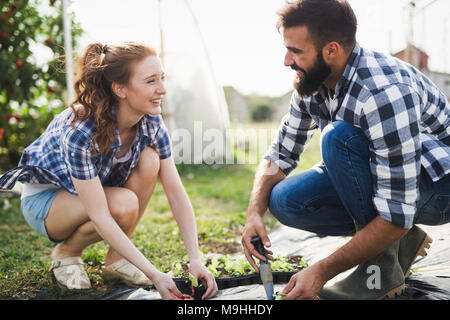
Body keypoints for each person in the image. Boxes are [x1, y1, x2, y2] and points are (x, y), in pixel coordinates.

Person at [241, 0, 450, 300]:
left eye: (296, 51)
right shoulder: (311, 81)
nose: (287, 60)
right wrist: (253, 214)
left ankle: (380, 270)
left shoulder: (382, 91)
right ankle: (397, 244)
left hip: (439, 183)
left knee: (338, 138)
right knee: (284, 200)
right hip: (389, 177)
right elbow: (279, 154)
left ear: (332, 50)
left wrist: (322, 271)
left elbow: (397, 211)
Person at [0, 42, 218, 300]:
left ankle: (116, 261)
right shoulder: (80, 130)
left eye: (162, 78)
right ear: (119, 89)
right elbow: (100, 214)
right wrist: (153, 273)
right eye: (150, 81)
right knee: (123, 204)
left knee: (150, 159)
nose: (162, 89)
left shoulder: (151, 122)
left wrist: (196, 259)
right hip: (45, 203)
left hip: (92, 195)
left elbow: (177, 194)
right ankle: (66, 253)